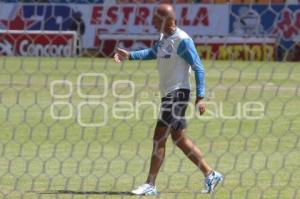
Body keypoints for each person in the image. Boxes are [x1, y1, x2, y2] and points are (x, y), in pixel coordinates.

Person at [114, 4, 222, 195]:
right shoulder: (165, 39)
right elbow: (152, 53)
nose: (152, 22)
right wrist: (129, 56)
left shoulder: (183, 41)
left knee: (159, 138)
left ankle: (150, 184)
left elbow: (198, 67)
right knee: (179, 139)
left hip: (177, 94)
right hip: (170, 94)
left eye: (155, 19)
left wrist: (201, 97)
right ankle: (211, 174)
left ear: (166, 20)